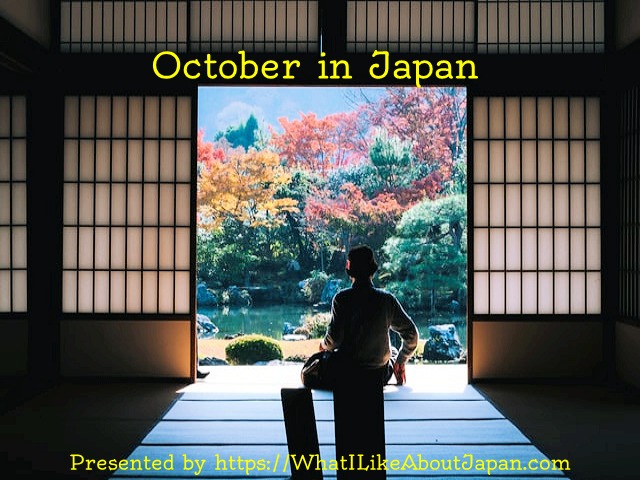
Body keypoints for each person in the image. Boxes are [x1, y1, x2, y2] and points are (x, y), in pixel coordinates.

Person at [319, 244, 419, 386]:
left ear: (349, 269)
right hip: (378, 376)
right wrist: (401, 359)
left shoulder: (342, 299)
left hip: (346, 374)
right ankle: (397, 368)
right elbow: (412, 334)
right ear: (373, 269)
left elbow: (334, 340)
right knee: (394, 352)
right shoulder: (386, 299)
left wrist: (323, 345)